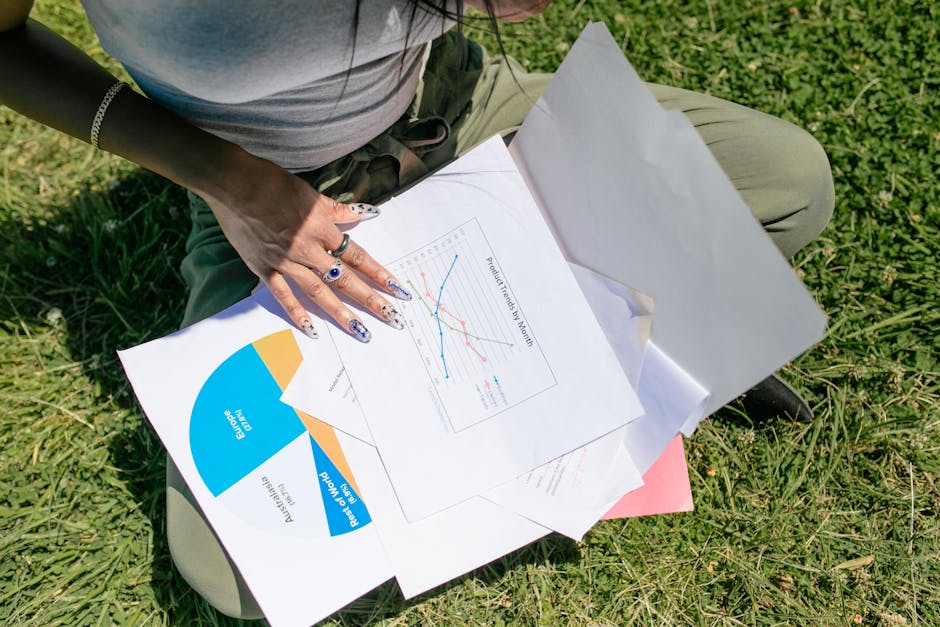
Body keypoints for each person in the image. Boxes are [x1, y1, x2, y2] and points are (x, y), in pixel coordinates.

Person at [0, 0, 834, 619]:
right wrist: (225, 181)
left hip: (458, 111)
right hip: (272, 195)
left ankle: (601, 382)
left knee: (787, 187)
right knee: (235, 569)